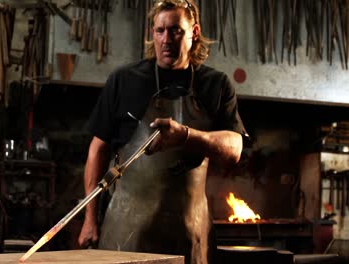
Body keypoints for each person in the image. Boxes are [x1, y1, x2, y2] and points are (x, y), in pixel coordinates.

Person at [78, 0, 248, 263]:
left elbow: (234, 149)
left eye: (176, 31)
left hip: (191, 235)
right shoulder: (124, 81)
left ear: (195, 32)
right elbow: (97, 150)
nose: (166, 39)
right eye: (160, 31)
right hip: (126, 234)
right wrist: (89, 219)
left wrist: (187, 136)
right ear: (153, 33)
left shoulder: (216, 85)